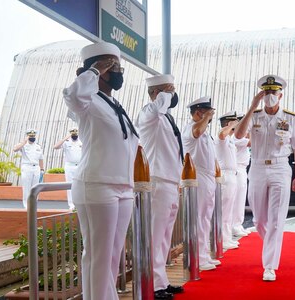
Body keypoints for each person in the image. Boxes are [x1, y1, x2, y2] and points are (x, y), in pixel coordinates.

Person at [63, 42, 138, 300]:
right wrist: (93, 72)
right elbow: (73, 96)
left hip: (123, 187)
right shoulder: (87, 103)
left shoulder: (114, 105)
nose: (118, 71)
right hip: (97, 185)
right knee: (97, 257)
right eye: (112, 65)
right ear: (98, 68)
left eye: (119, 66)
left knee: (112, 256)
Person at [234, 75, 295, 281]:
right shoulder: (255, 116)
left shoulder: (290, 118)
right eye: (266, 92)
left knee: (276, 220)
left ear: (280, 95)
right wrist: (252, 106)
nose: (269, 96)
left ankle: (269, 266)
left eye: (273, 92)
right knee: (259, 220)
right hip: (257, 168)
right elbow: (239, 135)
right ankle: (271, 245)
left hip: (280, 169)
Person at [135, 74, 184, 300]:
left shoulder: (166, 118)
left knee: (164, 236)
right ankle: (153, 285)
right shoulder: (149, 113)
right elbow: (156, 109)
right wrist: (164, 94)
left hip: (170, 182)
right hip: (157, 181)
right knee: (155, 236)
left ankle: (161, 280)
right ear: (155, 94)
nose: (173, 95)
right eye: (168, 91)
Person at [182, 96, 220, 271]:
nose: (211, 116)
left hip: (208, 176)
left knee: (205, 218)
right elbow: (196, 132)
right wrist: (205, 118)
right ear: (198, 112)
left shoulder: (205, 131)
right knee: (198, 218)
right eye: (208, 112)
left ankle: (203, 255)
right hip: (198, 176)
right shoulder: (192, 128)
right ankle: (197, 257)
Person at [215, 111, 239, 250]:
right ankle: (222, 239)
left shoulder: (231, 139)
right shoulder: (222, 136)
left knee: (229, 210)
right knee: (223, 210)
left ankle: (227, 238)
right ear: (228, 123)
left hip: (232, 175)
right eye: (235, 122)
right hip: (225, 175)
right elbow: (222, 134)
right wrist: (230, 126)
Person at [13, 129, 44, 209]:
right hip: (27, 167)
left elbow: (41, 158)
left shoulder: (38, 146)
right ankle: (26, 206)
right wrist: (24, 141)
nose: (32, 137)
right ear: (27, 136)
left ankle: (34, 205)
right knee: (27, 187)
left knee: (35, 187)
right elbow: (15, 149)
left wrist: (42, 169)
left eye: (33, 136)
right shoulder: (23, 145)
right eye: (31, 136)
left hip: (36, 168)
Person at [232, 113, 252, 237]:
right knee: (236, 200)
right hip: (237, 170)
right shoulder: (236, 138)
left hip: (243, 170)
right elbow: (250, 142)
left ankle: (238, 224)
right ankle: (234, 225)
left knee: (240, 200)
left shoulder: (241, 138)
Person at [53, 127, 82, 210]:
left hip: (80, 165)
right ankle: (72, 204)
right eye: (73, 134)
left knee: (80, 185)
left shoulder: (81, 141)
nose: (74, 135)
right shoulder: (66, 142)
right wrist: (66, 138)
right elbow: (55, 147)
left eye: (76, 133)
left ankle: (80, 203)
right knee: (70, 185)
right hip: (69, 166)